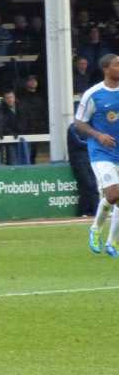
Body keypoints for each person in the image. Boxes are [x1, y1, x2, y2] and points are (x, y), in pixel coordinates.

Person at [74, 53, 119, 256]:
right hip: (102, 152)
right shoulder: (93, 94)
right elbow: (79, 123)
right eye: (117, 65)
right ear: (106, 69)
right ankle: (95, 229)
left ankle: (111, 242)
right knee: (114, 194)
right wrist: (98, 135)